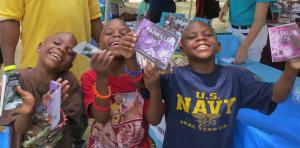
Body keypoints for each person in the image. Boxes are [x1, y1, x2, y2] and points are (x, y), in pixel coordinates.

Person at [141, 21, 299, 147]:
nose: (200, 38)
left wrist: (291, 70)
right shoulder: (173, 78)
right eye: (191, 37)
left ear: (218, 46)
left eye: (207, 34)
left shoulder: (236, 77)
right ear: (182, 50)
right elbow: (154, 120)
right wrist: (154, 90)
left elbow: (277, 95)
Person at [0, 32, 87, 147]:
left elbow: (76, 132)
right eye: (56, 43)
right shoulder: (14, 79)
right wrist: (27, 112)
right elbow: (19, 129)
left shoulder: (68, 83)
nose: (61, 49)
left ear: (70, 65)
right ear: (40, 47)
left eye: (69, 51)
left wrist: (53, 110)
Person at [81, 19, 151, 148]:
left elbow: (154, 119)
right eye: (109, 33)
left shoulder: (144, 76)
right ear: (99, 45)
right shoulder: (89, 77)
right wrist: (102, 77)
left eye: (124, 33)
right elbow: (101, 118)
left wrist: (131, 58)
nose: (117, 35)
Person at [0, 0, 102, 78]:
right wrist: (9, 68)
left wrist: (107, 53)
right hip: (37, 73)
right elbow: (9, 19)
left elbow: (93, 17)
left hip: (81, 73)